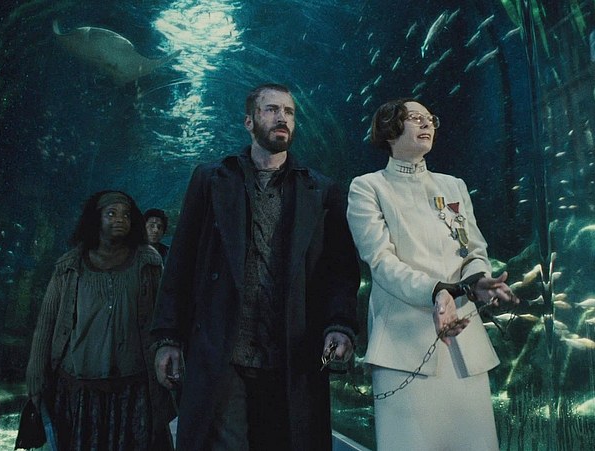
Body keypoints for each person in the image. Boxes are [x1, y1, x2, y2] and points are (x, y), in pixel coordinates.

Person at [151, 83, 360, 451]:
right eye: (271, 109)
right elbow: (181, 261)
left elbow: (339, 270)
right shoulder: (211, 179)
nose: (282, 117)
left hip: (290, 349)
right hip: (223, 347)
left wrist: (340, 324)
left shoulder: (321, 190)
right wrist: (168, 337)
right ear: (249, 121)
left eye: (289, 112)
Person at [346, 99, 519, 450]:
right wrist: (438, 291)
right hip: (403, 346)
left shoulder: (454, 186)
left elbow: (474, 250)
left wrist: (478, 282)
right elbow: (380, 261)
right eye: (415, 118)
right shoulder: (368, 187)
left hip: (465, 346)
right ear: (389, 129)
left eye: (430, 119)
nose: (427, 124)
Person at [25, 190, 172, 450]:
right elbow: (46, 324)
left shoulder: (148, 263)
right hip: (79, 388)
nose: (120, 219)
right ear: (96, 219)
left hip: (133, 386)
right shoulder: (70, 265)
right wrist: (36, 379)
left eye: (126, 215)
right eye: (111, 213)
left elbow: (164, 315)